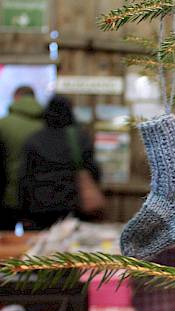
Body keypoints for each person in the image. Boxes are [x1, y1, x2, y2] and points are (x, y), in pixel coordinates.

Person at [18, 95, 101, 229]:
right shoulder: (80, 138)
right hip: (72, 203)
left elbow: (25, 178)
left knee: (40, 247)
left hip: (39, 206)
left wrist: (23, 212)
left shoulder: (34, 140)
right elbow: (93, 171)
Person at [0, 86, 44, 230]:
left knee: (5, 243)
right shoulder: (45, 127)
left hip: (7, 196)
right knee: (34, 246)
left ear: (16, 98)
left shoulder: (3, 124)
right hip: (37, 198)